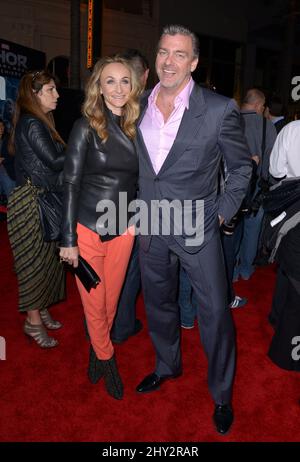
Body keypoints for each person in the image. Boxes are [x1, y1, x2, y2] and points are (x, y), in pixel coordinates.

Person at [135, 25, 252, 435]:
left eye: (179, 54)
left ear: (194, 63)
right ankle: (167, 365)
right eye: (164, 51)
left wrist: (220, 215)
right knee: (159, 306)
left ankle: (221, 394)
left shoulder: (219, 109)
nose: (169, 60)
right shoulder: (137, 105)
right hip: (150, 226)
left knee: (216, 314)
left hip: (198, 227)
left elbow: (240, 169)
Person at [59, 56, 140, 400]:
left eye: (125, 81)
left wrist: (136, 220)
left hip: (123, 228)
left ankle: (96, 349)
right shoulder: (85, 126)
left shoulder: (139, 126)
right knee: (94, 304)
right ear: (99, 86)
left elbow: (143, 180)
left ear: (133, 87)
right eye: (110, 81)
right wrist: (68, 239)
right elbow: (70, 182)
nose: (118, 88)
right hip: (88, 227)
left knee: (110, 303)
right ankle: (107, 360)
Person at [6, 70, 66, 348]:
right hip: (30, 202)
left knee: (46, 261)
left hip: (41, 198)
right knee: (32, 264)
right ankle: (32, 321)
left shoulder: (36, 122)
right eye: (50, 90)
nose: (57, 95)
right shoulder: (32, 123)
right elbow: (54, 161)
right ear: (35, 94)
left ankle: (40, 309)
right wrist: (82, 142)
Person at [110, 49, 149, 344]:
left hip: (104, 205)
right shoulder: (146, 110)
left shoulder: (105, 111)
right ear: (145, 76)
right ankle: (122, 325)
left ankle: (104, 326)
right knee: (129, 269)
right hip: (134, 205)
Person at [233, 88, 277, 281]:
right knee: (252, 229)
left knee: (230, 228)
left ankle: (230, 270)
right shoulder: (267, 126)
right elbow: (270, 160)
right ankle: (245, 268)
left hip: (231, 186)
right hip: (257, 187)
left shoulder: (229, 120)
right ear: (259, 105)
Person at [0, 118, 15, 199]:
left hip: (7, 170)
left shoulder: (8, 140)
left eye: (2, 125)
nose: (1, 128)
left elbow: (13, 156)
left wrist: (3, 159)